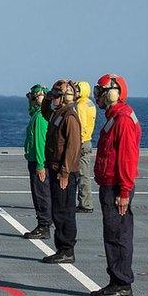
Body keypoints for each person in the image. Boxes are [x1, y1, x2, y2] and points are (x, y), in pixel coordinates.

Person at [89, 74, 141, 296]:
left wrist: (124, 191)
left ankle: (121, 282)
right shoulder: (115, 117)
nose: (98, 96)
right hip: (111, 185)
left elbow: (127, 158)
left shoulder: (122, 120)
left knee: (118, 234)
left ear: (113, 92)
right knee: (113, 233)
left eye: (101, 91)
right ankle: (117, 279)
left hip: (116, 187)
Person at [40, 79, 82, 264]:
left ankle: (66, 250)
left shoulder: (70, 117)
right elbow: (45, 112)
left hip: (63, 173)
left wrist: (65, 172)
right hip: (55, 169)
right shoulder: (59, 114)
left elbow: (72, 148)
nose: (54, 99)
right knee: (58, 210)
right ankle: (61, 248)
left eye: (57, 96)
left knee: (64, 211)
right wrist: (49, 95)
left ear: (65, 98)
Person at [23, 84, 52, 239]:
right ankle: (44, 223)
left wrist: (40, 165)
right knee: (41, 193)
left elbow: (40, 143)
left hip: (38, 162)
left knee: (41, 194)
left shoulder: (40, 117)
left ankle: (44, 225)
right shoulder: (39, 114)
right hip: (36, 161)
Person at [75, 81, 97, 213]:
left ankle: (86, 204)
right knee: (84, 174)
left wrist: (76, 141)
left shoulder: (81, 105)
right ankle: (85, 202)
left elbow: (81, 125)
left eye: (77, 89)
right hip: (87, 140)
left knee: (82, 175)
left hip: (82, 142)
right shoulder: (90, 103)